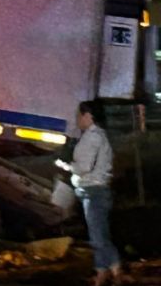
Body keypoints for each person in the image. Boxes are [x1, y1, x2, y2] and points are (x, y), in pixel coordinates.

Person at [56, 101, 126, 286]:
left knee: (98, 236)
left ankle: (116, 270)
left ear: (88, 115)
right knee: (98, 234)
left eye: (79, 115)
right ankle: (102, 273)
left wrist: (65, 165)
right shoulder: (94, 136)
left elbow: (84, 167)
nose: (77, 119)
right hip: (94, 191)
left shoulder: (93, 137)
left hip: (94, 191)